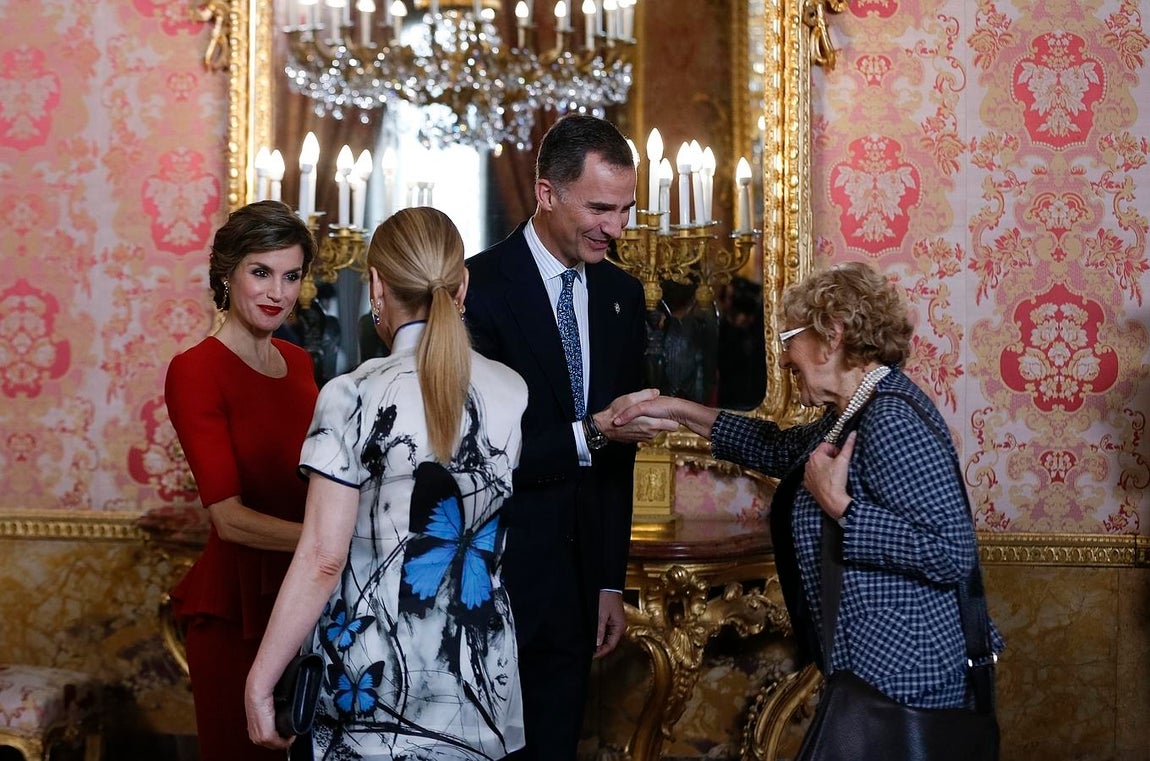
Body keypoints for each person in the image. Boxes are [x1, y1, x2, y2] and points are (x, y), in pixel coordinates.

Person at [615, 261, 1004, 710]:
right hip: (876, 674)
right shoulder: (855, 411)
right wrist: (676, 410)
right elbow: (777, 449)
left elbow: (951, 553)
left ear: (832, 336)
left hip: (908, 683)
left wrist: (842, 508)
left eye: (788, 340)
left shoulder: (891, 419)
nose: (782, 358)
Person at [245, 207, 530, 760]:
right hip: (477, 665)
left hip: (371, 674)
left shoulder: (351, 394)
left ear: (376, 284)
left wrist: (261, 678)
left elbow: (324, 557)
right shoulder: (511, 391)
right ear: (462, 284)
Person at [464, 114, 677, 760]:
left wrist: (610, 581)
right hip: (489, 579)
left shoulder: (622, 293)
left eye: (626, 209)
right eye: (601, 207)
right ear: (547, 192)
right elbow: (477, 453)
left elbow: (623, 450)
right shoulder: (477, 288)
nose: (616, 228)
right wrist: (588, 433)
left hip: (581, 586)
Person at [164, 199, 319, 760]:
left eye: (291, 274)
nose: (277, 290)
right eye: (261, 271)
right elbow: (227, 519)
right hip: (237, 613)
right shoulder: (196, 369)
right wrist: (330, 545)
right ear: (227, 272)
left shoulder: (300, 364)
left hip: (306, 600)